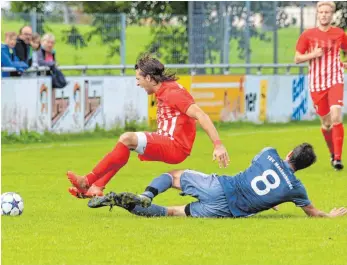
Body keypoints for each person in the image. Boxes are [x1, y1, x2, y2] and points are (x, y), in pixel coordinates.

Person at [67, 54, 230, 198]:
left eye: (138, 79)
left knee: (127, 138)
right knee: (124, 145)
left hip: (175, 146)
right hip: (169, 142)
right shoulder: (166, 89)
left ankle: (86, 181)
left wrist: (218, 145)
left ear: (149, 78)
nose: (138, 84)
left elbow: (201, 115)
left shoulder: (174, 93)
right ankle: (96, 187)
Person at [88, 143, 347, 219]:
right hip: (227, 211)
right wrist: (331, 216)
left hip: (223, 185)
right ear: (302, 167)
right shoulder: (295, 188)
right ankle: (130, 204)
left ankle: (146, 194)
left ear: (289, 154)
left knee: (173, 176)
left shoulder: (269, 152)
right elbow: (313, 213)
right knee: (171, 213)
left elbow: (258, 169)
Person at [294, 1, 347, 171]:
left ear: (332, 15)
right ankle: (332, 153)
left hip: (335, 80)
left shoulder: (339, 33)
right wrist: (313, 54)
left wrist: (344, 64)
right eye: (321, 12)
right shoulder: (308, 35)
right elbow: (297, 58)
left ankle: (338, 159)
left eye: (327, 12)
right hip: (317, 84)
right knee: (326, 123)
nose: (324, 15)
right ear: (318, 14)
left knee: (337, 116)